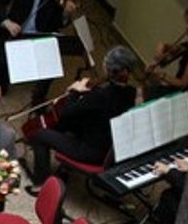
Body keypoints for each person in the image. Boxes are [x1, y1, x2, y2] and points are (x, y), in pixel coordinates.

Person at [28, 46, 137, 190]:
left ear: (107, 68)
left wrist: (74, 91)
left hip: (91, 152)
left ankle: (41, 184)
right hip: (109, 150)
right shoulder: (131, 93)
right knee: (75, 123)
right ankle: (64, 170)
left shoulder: (100, 97)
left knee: (41, 135)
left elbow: (65, 113)